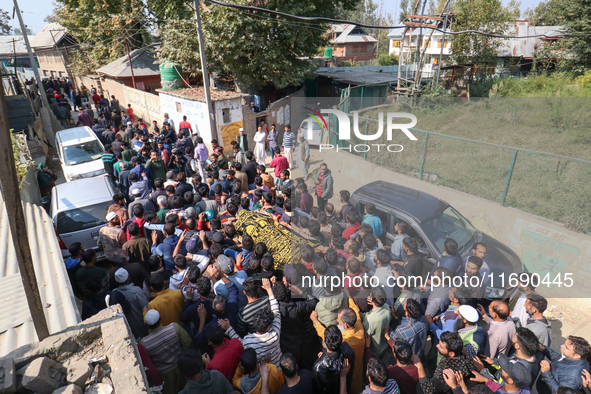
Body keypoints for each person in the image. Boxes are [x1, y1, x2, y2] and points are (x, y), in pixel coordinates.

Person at [220, 278, 283, 365]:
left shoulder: (249, 340)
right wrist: (269, 289)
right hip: (278, 367)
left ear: (244, 292)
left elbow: (241, 340)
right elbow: (276, 311)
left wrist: (229, 329)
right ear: (258, 290)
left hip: (262, 371)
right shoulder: (275, 333)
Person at [140, 309, 191, 394]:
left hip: (165, 375)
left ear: (146, 324)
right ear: (161, 318)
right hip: (182, 366)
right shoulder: (174, 328)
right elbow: (187, 343)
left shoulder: (144, 343)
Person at [312, 325, 356, 394]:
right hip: (346, 388)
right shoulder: (349, 351)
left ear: (324, 341)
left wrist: (324, 355)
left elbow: (317, 389)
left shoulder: (318, 366)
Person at [113, 268, 149, 338]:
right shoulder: (136, 291)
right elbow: (146, 307)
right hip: (140, 323)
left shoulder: (115, 293)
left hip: (127, 326)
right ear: (128, 276)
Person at [361, 287, 391, 360]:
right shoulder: (387, 308)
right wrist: (374, 302)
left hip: (374, 352)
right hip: (383, 346)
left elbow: (366, 337)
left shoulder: (370, 320)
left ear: (371, 299)